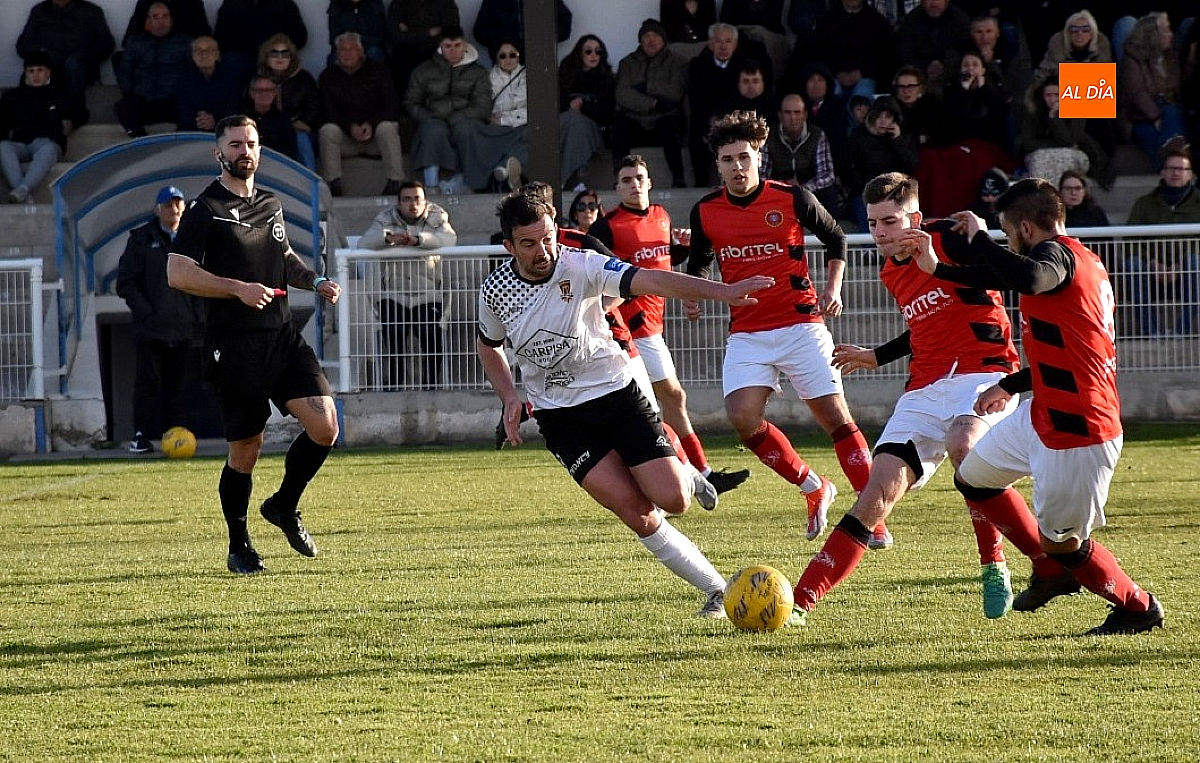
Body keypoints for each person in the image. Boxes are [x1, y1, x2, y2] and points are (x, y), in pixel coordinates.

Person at [478, 190, 773, 618]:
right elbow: (489, 345)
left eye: (547, 239)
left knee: (674, 501)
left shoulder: (580, 265)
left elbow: (652, 279)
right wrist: (509, 396)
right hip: (561, 419)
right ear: (509, 246)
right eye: (529, 244)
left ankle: (686, 474)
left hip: (616, 395)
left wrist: (722, 292)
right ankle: (716, 590)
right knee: (636, 512)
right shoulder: (496, 290)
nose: (542, 251)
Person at [792, 171, 1069, 622]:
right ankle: (798, 603)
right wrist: (876, 356)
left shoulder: (949, 238)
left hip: (984, 371)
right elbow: (924, 324)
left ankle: (998, 559)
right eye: (873, 222)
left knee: (965, 446)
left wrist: (978, 238)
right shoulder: (889, 270)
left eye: (890, 221)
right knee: (875, 493)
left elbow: (1005, 272)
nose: (880, 232)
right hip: (923, 387)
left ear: (915, 218)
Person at [910, 178, 1165, 636]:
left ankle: (1138, 607)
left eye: (1009, 233)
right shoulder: (1077, 259)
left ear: (1025, 228)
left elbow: (1027, 276)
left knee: (1064, 543)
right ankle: (1049, 571)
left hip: (1078, 427)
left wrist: (978, 240)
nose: (1008, 242)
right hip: (1044, 409)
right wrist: (939, 270)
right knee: (973, 479)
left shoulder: (1057, 258)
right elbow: (1035, 306)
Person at [684, 111, 887, 549]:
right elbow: (699, 259)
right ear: (717, 165)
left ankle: (872, 516)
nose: (737, 167)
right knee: (742, 418)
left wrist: (833, 286)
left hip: (801, 324)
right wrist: (695, 294)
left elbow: (837, 238)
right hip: (747, 332)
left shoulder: (791, 197)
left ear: (759, 157)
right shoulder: (706, 211)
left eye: (743, 157)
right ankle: (813, 486)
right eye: (727, 160)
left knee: (835, 418)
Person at [166, 114, 344, 575]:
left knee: (325, 425)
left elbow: (283, 258)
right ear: (218, 153)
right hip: (233, 344)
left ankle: (284, 505)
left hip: (282, 337)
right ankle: (239, 545)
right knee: (247, 449)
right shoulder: (204, 209)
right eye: (236, 144)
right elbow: (178, 272)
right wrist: (237, 288)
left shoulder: (270, 202)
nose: (245, 151)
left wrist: (315, 280)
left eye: (252, 143)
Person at [590, 155, 752, 495]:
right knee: (658, 403)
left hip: (653, 327)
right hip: (628, 329)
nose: (634, 184)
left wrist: (682, 249)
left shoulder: (661, 216)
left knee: (668, 401)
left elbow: (662, 262)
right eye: (626, 180)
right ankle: (693, 474)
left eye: (639, 177)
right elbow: (597, 274)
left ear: (649, 182)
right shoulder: (607, 227)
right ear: (618, 188)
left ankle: (693, 473)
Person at [116, 186, 204, 454]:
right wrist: (147, 312)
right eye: (168, 205)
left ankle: (177, 435)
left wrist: (197, 317)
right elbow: (126, 283)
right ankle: (140, 435)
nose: (174, 210)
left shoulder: (192, 238)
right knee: (148, 383)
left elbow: (202, 279)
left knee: (178, 387)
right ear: (158, 209)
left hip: (183, 329)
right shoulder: (141, 239)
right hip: (151, 330)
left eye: (178, 204)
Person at [359, 180, 456, 388]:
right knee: (394, 336)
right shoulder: (386, 218)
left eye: (417, 199)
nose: (413, 204)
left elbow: (449, 239)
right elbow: (364, 243)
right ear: (398, 203)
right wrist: (388, 239)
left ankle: (432, 388)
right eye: (407, 199)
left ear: (425, 201)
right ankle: (394, 387)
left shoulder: (437, 215)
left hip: (428, 294)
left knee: (431, 337)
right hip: (393, 295)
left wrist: (418, 240)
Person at [403, 25, 491, 196]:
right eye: (448, 46)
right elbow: (411, 102)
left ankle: (470, 184)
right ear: (440, 47)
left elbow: (482, 106)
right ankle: (431, 185)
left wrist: (456, 118)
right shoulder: (424, 70)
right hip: (433, 118)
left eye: (457, 45)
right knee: (432, 130)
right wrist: (430, 117)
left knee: (468, 130)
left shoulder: (478, 72)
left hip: (465, 120)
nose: (453, 51)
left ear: (465, 45)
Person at [318, 32, 406, 197]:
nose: (347, 53)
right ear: (336, 53)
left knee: (388, 127)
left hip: (375, 139)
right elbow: (326, 111)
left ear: (362, 51)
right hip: (346, 139)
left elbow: (391, 105)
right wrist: (350, 127)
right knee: (327, 130)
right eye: (343, 50)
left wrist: (371, 124)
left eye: (352, 49)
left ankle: (395, 182)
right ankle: (334, 185)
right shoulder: (328, 76)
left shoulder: (379, 70)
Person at [1125, 146, 1200, 337]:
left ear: (1190, 174)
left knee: (1195, 262)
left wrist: (1180, 263)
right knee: (1132, 264)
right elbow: (1129, 239)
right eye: (1171, 168)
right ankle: (1151, 332)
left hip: (1187, 269)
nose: (1176, 173)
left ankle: (1182, 331)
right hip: (1151, 268)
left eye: (1182, 169)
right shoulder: (1144, 203)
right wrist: (1151, 262)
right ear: (1163, 172)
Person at [686, 23, 771, 187]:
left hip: (736, 116)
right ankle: (700, 184)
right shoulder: (697, 64)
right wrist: (710, 120)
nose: (723, 46)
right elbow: (695, 98)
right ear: (710, 44)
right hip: (708, 117)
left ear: (736, 44)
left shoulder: (744, 65)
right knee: (696, 132)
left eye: (728, 41)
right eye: (718, 41)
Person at [0, 53, 86, 205]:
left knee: (49, 149)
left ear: (48, 72)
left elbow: (82, 113)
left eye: (40, 70)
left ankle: (23, 189)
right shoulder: (12, 97)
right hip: (20, 141)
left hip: (47, 141)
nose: (35, 75)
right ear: (25, 73)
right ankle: (22, 192)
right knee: (3, 147)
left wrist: (71, 123)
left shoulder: (62, 95)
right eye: (31, 71)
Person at [612, 19, 689, 188]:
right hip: (635, 119)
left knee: (670, 127)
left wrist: (648, 86)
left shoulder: (677, 62)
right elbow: (622, 94)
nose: (651, 40)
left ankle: (678, 178)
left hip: (665, 119)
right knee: (619, 127)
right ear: (640, 41)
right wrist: (653, 103)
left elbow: (676, 91)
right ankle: (619, 178)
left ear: (663, 39)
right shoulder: (628, 63)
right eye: (646, 36)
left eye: (655, 36)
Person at [1017, 75, 1114, 191]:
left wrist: (1054, 117)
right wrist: (1054, 143)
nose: (1052, 100)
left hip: (1076, 153)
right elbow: (1028, 144)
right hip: (1041, 154)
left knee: (1064, 158)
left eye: (1056, 95)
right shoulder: (1033, 112)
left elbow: (1068, 141)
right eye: (1048, 95)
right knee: (1040, 159)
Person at [455, 40, 527, 193]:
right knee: (469, 130)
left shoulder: (530, 76)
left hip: (518, 125)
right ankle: (481, 181)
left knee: (528, 135)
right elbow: (481, 105)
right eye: (502, 56)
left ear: (519, 57)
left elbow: (533, 110)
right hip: (493, 126)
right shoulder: (486, 78)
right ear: (496, 58)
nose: (508, 59)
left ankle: (506, 168)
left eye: (512, 55)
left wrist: (503, 119)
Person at [16, 0, 115, 108]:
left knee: (73, 64)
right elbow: (22, 45)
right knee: (36, 69)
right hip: (49, 65)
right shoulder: (40, 11)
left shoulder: (91, 11)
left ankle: (74, 114)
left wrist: (84, 55)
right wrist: (42, 54)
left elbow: (107, 44)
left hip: (79, 68)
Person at [115, 2, 193, 139]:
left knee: (193, 107)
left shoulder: (185, 43)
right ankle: (141, 141)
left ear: (171, 20)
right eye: (156, 17)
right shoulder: (135, 42)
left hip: (173, 101)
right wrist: (133, 90)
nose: (161, 21)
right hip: (144, 100)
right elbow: (124, 72)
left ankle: (178, 144)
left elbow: (193, 72)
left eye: (165, 16)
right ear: (148, 22)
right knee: (122, 107)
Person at [1120, 12, 1188, 168]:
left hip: (1169, 110)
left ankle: (1170, 159)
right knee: (1150, 132)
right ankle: (1175, 161)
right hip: (1139, 115)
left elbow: (1176, 89)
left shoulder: (1171, 56)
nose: (1171, 35)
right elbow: (1136, 93)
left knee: (1173, 112)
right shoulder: (1132, 57)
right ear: (1153, 35)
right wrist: (1156, 117)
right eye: (1166, 31)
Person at [843, 96, 919, 232]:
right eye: (878, 116)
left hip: (895, 193)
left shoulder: (903, 138)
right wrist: (867, 188)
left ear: (895, 119)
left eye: (888, 116)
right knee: (864, 208)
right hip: (863, 193)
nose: (883, 120)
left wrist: (897, 141)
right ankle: (870, 250)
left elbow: (911, 167)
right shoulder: (858, 136)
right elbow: (846, 169)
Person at [766, 93, 844, 220]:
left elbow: (827, 175)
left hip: (810, 190)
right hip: (778, 191)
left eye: (797, 112)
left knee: (828, 192)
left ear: (805, 115)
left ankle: (830, 233)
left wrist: (803, 188)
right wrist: (785, 186)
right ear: (780, 115)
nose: (793, 117)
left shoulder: (817, 135)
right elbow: (761, 175)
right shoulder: (769, 137)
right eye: (788, 112)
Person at [558, 35, 615, 190]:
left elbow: (608, 111)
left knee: (576, 121)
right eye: (588, 51)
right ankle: (572, 179)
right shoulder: (564, 75)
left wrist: (583, 107)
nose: (594, 56)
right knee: (571, 121)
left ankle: (565, 179)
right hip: (565, 128)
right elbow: (555, 104)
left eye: (598, 52)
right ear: (579, 53)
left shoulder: (606, 78)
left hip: (595, 132)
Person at [257, 34, 320, 171]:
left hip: (298, 128)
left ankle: (310, 184)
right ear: (266, 57)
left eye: (285, 54)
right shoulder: (257, 79)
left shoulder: (304, 78)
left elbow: (313, 110)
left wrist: (294, 122)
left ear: (291, 57)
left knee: (301, 139)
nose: (280, 58)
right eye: (275, 54)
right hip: (266, 127)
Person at [813, 0, 896, 103]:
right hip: (833, 76)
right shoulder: (826, 21)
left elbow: (884, 56)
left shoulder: (878, 22)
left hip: (865, 77)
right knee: (832, 96)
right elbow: (819, 54)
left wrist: (861, 73)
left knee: (862, 98)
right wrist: (836, 72)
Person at [213, 0, 307, 82]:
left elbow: (300, 37)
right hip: (241, 60)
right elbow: (219, 38)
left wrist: (279, 46)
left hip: (272, 60)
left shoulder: (284, 3)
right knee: (231, 60)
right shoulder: (232, 3)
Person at [384, 0, 461, 99]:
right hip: (406, 51)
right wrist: (428, 32)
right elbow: (395, 35)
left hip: (434, 49)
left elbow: (451, 31)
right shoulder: (399, 3)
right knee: (400, 56)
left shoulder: (446, 3)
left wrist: (410, 31)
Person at [895, 0, 971, 94]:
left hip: (955, 79)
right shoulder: (910, 21)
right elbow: (904, 55)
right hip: (920, 79)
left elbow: (967, 53)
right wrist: (926, 66)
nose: (934, 3)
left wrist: (945, 67)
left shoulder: (960, 20)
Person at [176, 36, 244, 133]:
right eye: (198, 50)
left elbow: (234, 109)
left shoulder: (231, 78)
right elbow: (182, 110)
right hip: (191, 131)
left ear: (217, 55)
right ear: (192, 56)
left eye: (209, 50)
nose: (204, 55)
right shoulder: (184, 79)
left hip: (224, 131)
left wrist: (215, 120)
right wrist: (202, 121)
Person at [472, 0, 572, 59]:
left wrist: (542, 39)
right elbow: (480, 31)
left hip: (539, 59)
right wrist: (503, 42)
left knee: (541, 93)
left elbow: (564, 26)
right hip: (506, 61)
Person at [245, 75, 299, 161]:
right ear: (251, 93)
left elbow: (291, 154)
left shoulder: (284, 121)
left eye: (269, 90)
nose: (264, 94)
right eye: (259, 91)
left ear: (275, 93)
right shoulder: (241, 120)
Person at [123, 0, 211, 44]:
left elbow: (206, 39)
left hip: (184, 62)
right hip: (151, 62)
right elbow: (127, 41)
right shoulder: (145, 3)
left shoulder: (193, 3)